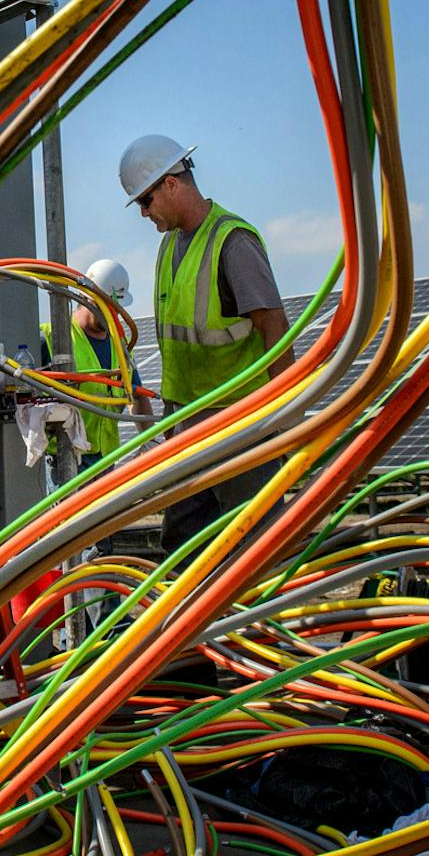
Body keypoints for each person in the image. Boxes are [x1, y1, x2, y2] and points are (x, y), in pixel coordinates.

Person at [118, 135, 297, 548]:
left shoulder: (232, 242)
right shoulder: (169, 246)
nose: (143, 214)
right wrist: (170, 419)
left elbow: (273, 326)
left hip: (236, 426)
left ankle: (262, 612)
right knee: (183, 545)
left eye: (145, 202)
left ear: (171, 183)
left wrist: (286, 416)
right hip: (186, 427)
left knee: (255, 543)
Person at [36, 257, 148, 466]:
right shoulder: (51, 338)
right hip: (64, 459)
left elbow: (138, 396)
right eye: (106, 307)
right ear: (86, 298)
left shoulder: (119, 345)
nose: (113, 315)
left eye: (117, 309)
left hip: (104, 460)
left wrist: (148, 440)